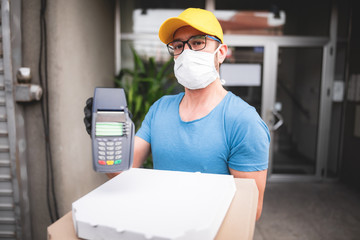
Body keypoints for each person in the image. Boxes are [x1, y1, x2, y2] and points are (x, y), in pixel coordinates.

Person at [85, 8, 270, 221]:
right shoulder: (160, 109)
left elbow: (249, 211)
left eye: (198, 42)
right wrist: (103, 135)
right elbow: (120, 170)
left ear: (221, 53)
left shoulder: (244, 121)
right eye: (178, 46)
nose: (186, 53)